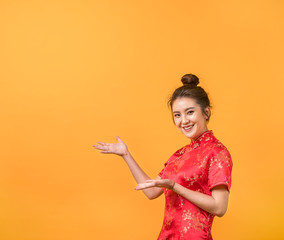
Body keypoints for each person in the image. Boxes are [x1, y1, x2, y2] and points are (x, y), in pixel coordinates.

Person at [93, 74, 233, 239]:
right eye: (177, 115)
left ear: (206, 112)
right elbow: (151, 191)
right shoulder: (180, 155)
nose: (184, 121)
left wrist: (174, 186)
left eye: (189, 112)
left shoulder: (217, 152)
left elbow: (219, 207)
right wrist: (126, 154)